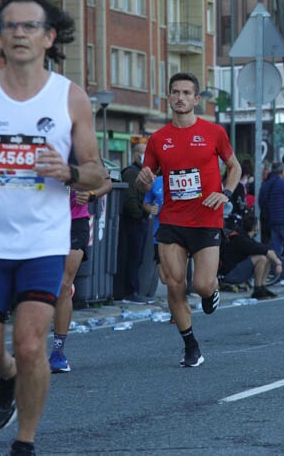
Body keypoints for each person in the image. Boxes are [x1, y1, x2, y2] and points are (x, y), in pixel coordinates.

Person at [0, 0, 106, 455]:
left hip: (43, 244)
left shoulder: (70, 99)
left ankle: (24, 443)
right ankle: (7, 378)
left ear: (49, 36)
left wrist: (69, 172)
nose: (19, 34)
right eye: (10, 26)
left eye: (30, 26)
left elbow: (98, 172)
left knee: (32, 344)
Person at [136, 72, 242, 369]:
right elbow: (146, 179)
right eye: (175, 92)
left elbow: (234, 167)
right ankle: (190, 345)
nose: (180, 97)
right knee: (174, 284)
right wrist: (144, 180)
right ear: (169, 97)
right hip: (171, 220)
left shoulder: (214, 132)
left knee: (203, 285)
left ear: (197, 99)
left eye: (186, 92)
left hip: (207, 218)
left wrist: (227, 193)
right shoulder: (158, 139)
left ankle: (212, 292)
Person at [49, 178, 113, 374]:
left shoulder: (81, 148)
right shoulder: (37, 148)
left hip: (75, 221)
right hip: (44, 221)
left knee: (63, 285)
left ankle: (58, 352)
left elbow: (106, 182)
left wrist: (92, 194)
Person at [219, 217, 282, 300]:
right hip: (230, 274)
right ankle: (258, 289)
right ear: (255, 227)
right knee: (261, 258)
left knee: (265, 257)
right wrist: (278, 263)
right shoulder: (243, 240)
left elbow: (265, 249)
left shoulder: (242, 236)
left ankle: (262, 287)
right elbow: (267, 251)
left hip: (231, 271)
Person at [119, 142, 149, 304]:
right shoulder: (131, 173)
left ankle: (134, 291)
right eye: (144, 153)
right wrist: (140, 215)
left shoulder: (141, 172)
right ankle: (130, 292)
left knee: (137, 257)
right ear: (136, 155)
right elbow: (130, 199)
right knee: (133, 256)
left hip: (140, 220)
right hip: (133, 221)